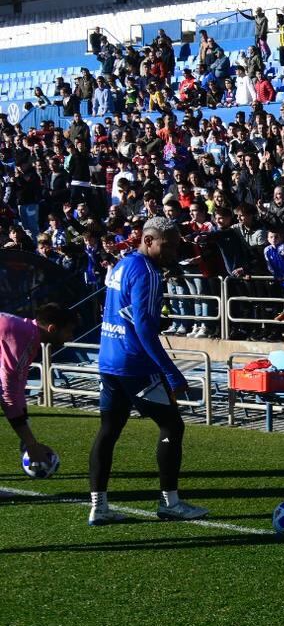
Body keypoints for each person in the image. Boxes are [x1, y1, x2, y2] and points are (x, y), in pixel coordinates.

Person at [88, 216, 209, 526]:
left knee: (109, 430)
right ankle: (170, 502)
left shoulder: (123, 264)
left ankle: (98, 506)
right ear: (149, 240)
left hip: (109, 360)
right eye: (167, 246)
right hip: (135, 364)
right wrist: (170, 372)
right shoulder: (149, 272)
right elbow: (142, 327)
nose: (172, 252)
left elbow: (124, 312)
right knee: (172, 426)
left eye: (176, 246)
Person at [0, 304, 75, 467]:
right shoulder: (21, 338)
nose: (71, 338)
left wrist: (26, 437)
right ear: (52, 329)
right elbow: (8, 396)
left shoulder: (28, 334)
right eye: (69, 331)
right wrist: (31, 445)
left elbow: (17, 388)